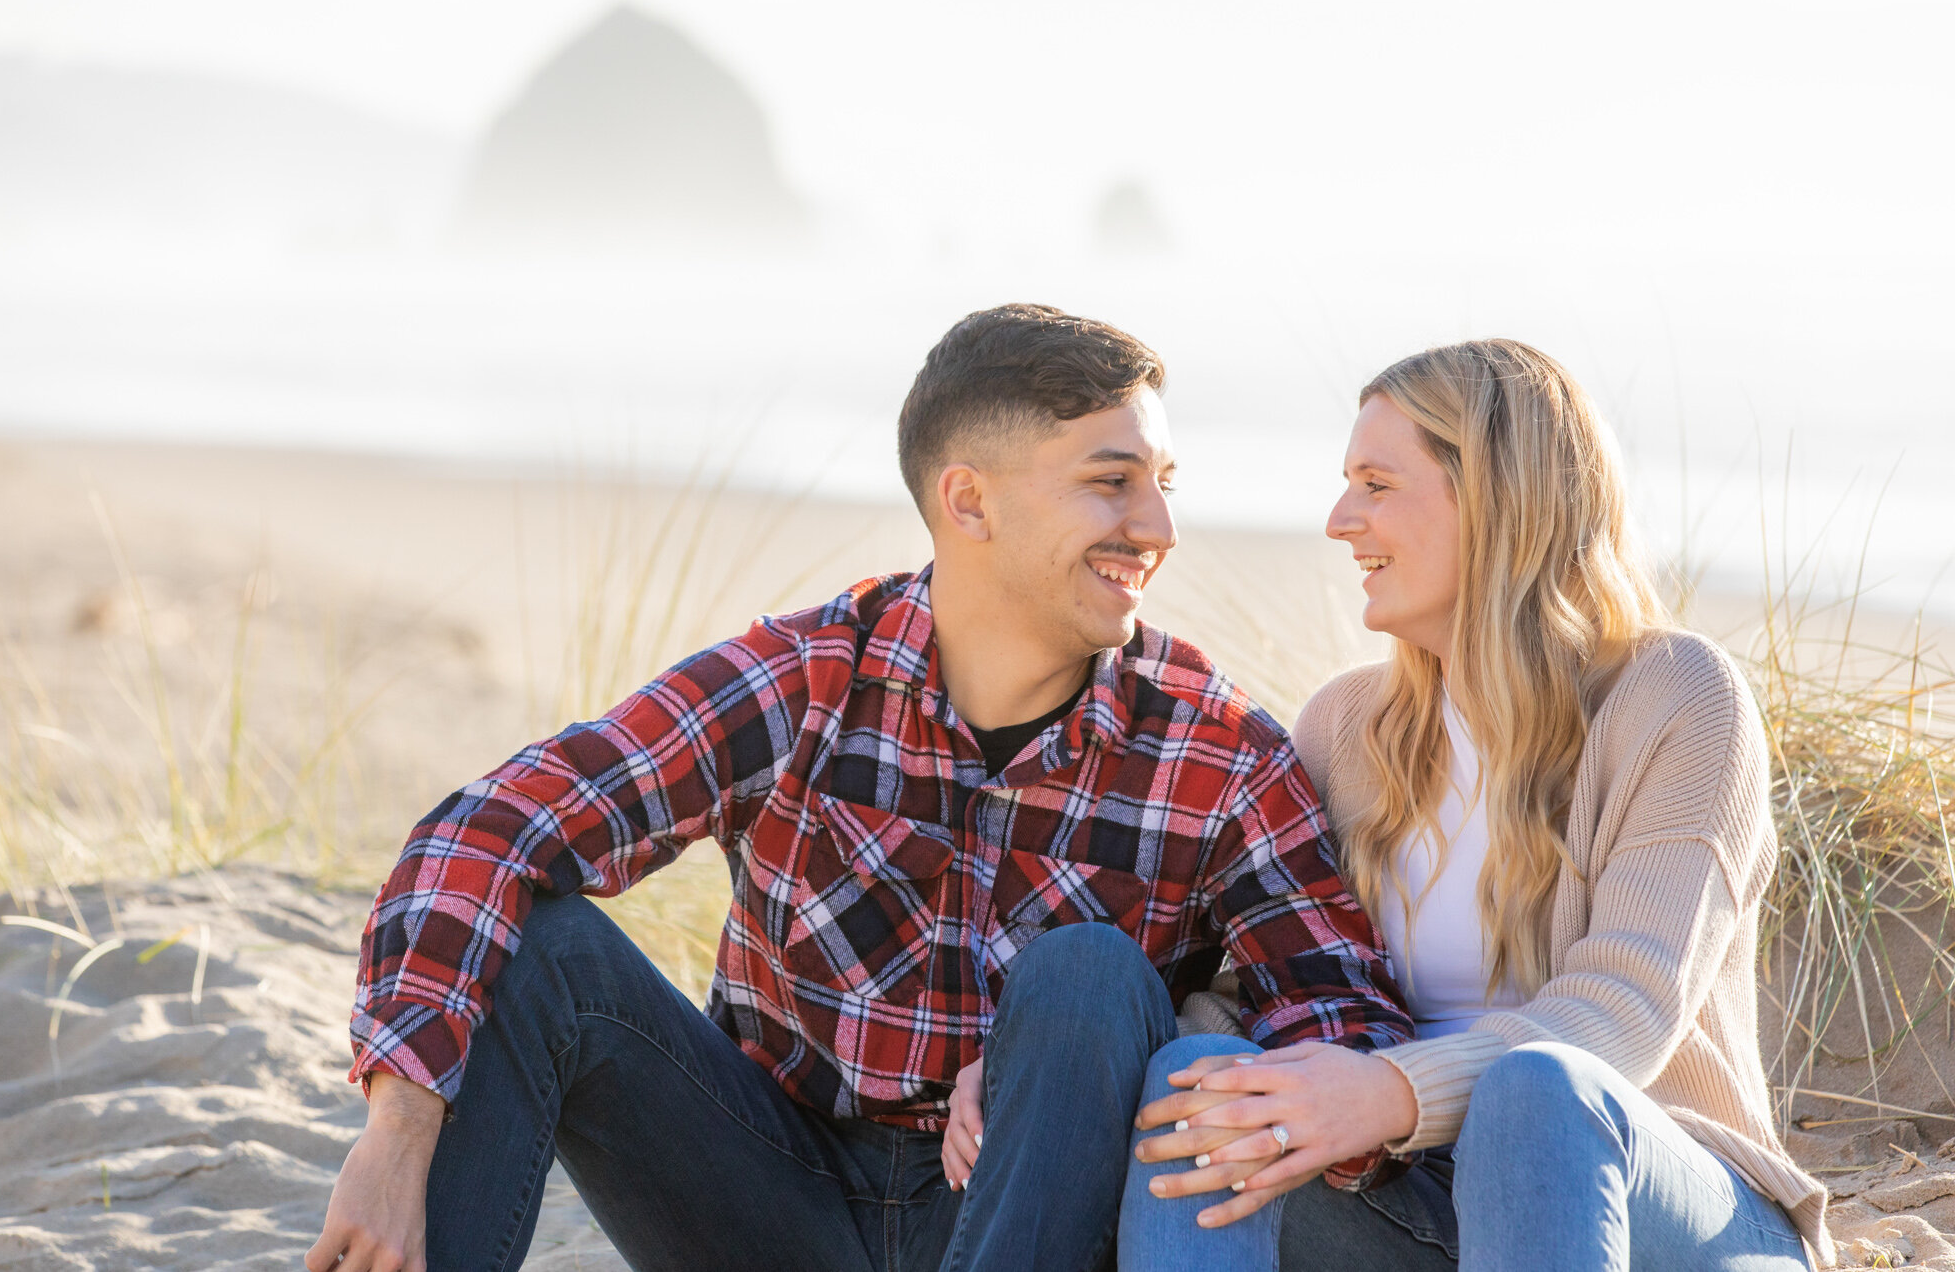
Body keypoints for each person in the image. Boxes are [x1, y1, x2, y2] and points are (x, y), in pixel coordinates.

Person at [303, 303, 1411, 1272]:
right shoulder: (807, 677)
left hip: (1011, 1216)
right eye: (1111, 483)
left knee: (1087, 977)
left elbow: (1344, 1026)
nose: (1157, 530)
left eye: (1163, 485)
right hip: (765, 1196)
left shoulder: (1211, 749)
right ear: (967, 501)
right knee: (543, 949)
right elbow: (491, 827)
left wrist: (1121, 1051)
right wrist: (394, 1134)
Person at [1115, 340, 1832, 1270]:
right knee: (1195, 1084)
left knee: (1538, 1092)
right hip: (1420, 1194)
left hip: (1672, 1203)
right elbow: (1247, 984)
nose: (1340, 519)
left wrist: (1388, 1090)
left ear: (1495, 499)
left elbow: (1625, 1013)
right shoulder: (1345, 726)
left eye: (1376, 483)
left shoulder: (1678, 696)